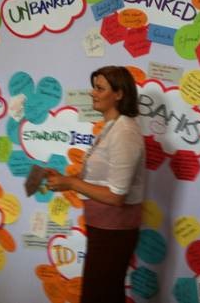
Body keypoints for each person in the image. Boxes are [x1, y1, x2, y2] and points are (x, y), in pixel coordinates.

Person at [46, 65, 146, 303]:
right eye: (94, 87)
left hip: (114, 231)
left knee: (99, 295)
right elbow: (102, 180)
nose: (92, 93)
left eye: (100, 88)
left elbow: (116, 196)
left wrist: (71, 183)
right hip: (104, 228)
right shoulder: (112, 128)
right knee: (102, 293)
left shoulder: (124, 132)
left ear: (119, 94)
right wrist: (65, 179)